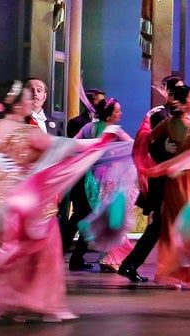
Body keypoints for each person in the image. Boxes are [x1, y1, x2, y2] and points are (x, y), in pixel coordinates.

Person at [0, 81, 120, 321]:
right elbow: (70, 146)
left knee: (13, 254)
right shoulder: (29, 133)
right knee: (41, 252)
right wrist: (105, 139)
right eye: (27, 97)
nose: (32, 100)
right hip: (26, 200)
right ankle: (30, 303)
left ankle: (10, 304)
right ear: (18, 105)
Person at [116, 75, 185, 283]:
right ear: (168, 92)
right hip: (162, 177)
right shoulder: (159, 114)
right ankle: (163, 269)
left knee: (161, 226)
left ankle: (132, 265)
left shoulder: (175, 114)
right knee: (162, 225)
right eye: (178, 90)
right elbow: (150, 144)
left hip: (172, 176)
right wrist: (166, 149)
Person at [148, 85, 190, 289]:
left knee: (174, 225)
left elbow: (148, 139)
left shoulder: (167, 123)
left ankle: (171, 273)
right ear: (184, 104)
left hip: (175, 181)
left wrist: (166, 150)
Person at [77, 98, 138, 273]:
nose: (121, 113)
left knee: (106, 216)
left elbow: (75, 143)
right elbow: (133, 145)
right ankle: (111, 258)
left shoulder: (88, 127)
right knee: (115, 217)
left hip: (91, 177)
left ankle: (108, 257)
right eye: (117, 111)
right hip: (110, 178)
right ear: (109, 114)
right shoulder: (114, 130)